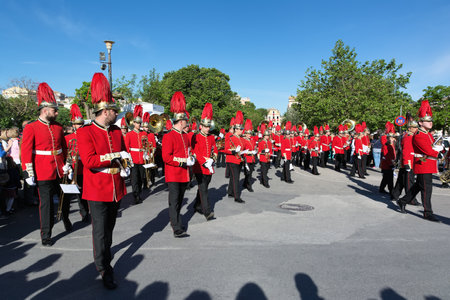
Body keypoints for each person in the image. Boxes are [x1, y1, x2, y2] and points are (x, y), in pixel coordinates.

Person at [77, 72, 129, 289]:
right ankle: (104, 268)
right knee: (100, 232)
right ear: (105, 111)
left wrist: (126, 162)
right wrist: (114, 158)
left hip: (116, 187)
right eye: (114, 111)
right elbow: (89, 161)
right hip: (97, 189)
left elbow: (123, 152)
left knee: (109, 230)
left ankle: (104, 256)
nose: (116, 115)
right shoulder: (85, 131)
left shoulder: (116, 131)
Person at [21, 82, 69, 246]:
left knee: (66, 196)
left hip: (59, 168)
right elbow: (26, 151)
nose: (56, 112)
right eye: (54, 110)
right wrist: (28, 172)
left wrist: (66, 163)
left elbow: (63, 147)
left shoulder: (58, 127)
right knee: (47, 204)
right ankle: (46, 234)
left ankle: (66, 218)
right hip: (42, 170)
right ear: (44, 110)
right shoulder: (31, 127)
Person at [397, 100, 444, 222]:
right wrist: (438, 153)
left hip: (427, 164)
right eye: (428, 121)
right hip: (423, 164)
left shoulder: (427, 134)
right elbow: (427, 150)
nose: (430, 123)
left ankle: (402, 201)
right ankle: (427, 213)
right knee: (426, 189)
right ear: (420, 123)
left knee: (418, 186)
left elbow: (430, 147)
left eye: (430, 121)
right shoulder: (419, 135)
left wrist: (438, 149)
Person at [162, 91, 195, 237]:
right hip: (174, 174)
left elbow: (188, 151)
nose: (187, 124)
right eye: (186, 121)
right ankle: (176, 227)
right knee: (174, 202)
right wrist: (183, 161)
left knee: (179, 201)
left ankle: (177, 221)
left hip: (184, 174)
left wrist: (191, 158)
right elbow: (166, 157)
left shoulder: (185, 137)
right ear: (181, 121)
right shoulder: (169, 136)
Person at [64, 104, 90, 222]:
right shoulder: (68, 138)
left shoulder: (87, 135)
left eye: (80, 124)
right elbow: (66, 153)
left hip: (84, 168)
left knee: (84, 193)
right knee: (69, 195)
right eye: (76, 124)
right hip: (72, 168)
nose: (79, 126)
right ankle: (65, 217)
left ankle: (85, 212)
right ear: (73, 125)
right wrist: (67, 166)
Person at [191, 103, 217, 220]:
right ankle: (207, 212)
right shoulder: (196, 137)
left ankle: (197, 204)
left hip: (209, 166)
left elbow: (214, 149)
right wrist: (204, 161)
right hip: (200, 167)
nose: (207, 129)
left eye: (208, 127)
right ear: (200, 126)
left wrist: (213, 158)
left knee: (204, 187)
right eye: (205, 127)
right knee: (203, 188)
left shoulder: (211, 137)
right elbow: (194, 152)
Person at [391, 116, 420, 204]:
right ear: (410, 128)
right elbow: (406, 151)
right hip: (408, 162)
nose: (416, 129)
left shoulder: (409, 135)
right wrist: (407, 162)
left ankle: (395, 195)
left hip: (406, 161)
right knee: (409, 182)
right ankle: (411, 199)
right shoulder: (408, 137)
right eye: (414, 127)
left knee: (401, 181)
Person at [125, 105, 146, 204]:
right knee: (134, 179)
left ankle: (139, 192)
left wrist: (147, 154)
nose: (139, 124)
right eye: (137, 123)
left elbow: (146, 146)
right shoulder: (129, 134)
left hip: (142, 158)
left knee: (141, 178)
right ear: (133, 123)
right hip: (133, 158)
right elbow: (126, 148)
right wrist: (129, 159)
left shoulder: (143, 134)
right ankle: (136, 196)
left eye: (139, 123)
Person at [224, 111, 245, 203]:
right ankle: (237, 197)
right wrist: (234, 151)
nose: (241, 131)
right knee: (236, 178)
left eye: (242, 129)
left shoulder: (241, 139)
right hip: (232, 160)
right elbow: (225, 150)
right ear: (236, 129)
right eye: (240, 129)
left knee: (233, 177)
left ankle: (230, 192)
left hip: (239, 160)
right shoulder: (231, 138)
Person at [379, 122, 396, 196]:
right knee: (389, 178)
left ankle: (381, 188)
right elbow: (387, 155)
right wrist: (391, 163)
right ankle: (391, 190)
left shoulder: (391, 144)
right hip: (387, 163)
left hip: (388, 162)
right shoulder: (387, 145)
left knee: (386, 177)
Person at [242, 119, 257, 192]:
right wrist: (251, 152)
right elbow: (243, 151)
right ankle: (249, 186)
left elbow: (254, 147)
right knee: (248, 173)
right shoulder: (243, 140)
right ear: (245, 134)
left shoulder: (252, 140)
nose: (249, 135)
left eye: (250, 134)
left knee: (250, 172)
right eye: (248, 134)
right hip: (246, 159)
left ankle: (245, 183)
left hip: (252, 158)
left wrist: (255, 151)